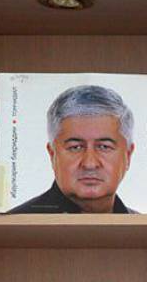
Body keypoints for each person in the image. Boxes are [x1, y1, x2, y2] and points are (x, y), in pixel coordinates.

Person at [7, 84, 138, 214]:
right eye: (75, 147)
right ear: (52, 154)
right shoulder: (15, 224)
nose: (89, 164)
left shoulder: (141, 225)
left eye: (104, 147)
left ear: (128, 155)